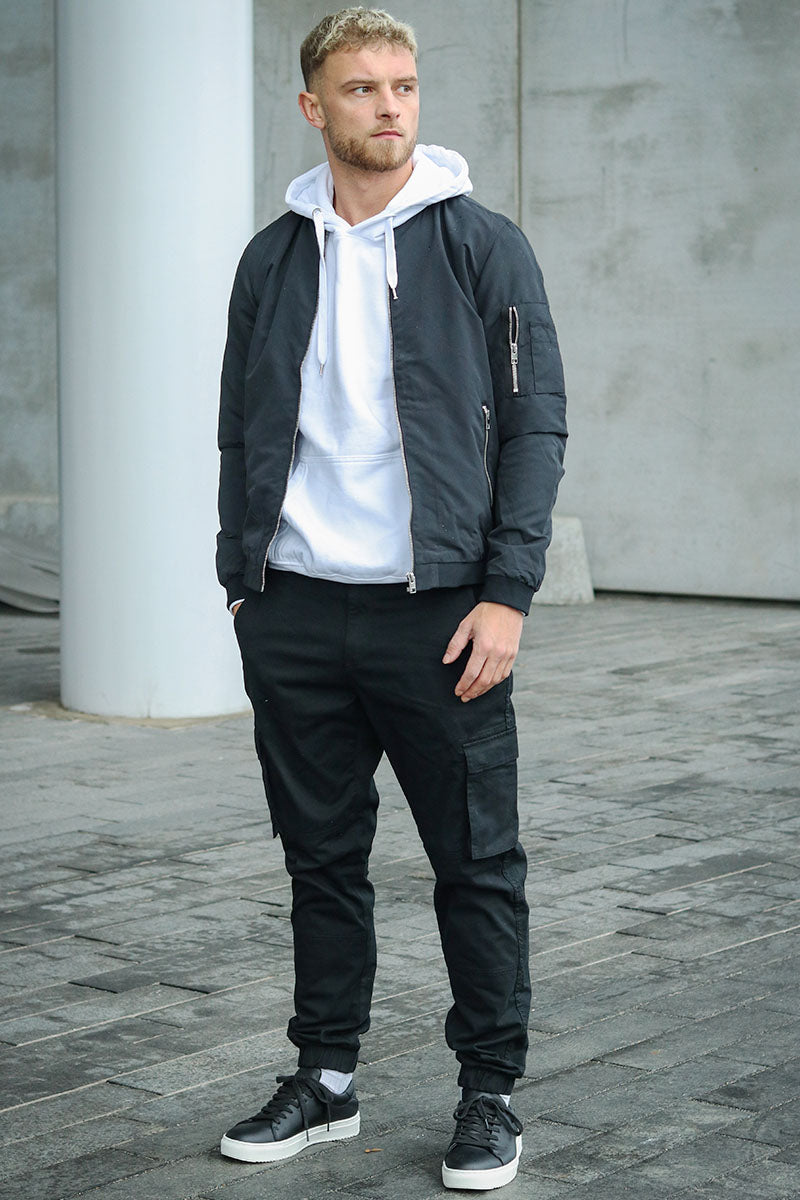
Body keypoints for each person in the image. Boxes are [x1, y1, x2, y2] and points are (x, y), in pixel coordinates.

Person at [215, 6, 566, 1190]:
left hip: (439, 613)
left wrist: (506, 593)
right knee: (320, 860)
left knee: (475, 861)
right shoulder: (273, 258)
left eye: (402, 85)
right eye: (361, 88)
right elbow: (241, 427)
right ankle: (324, 1079)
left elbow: (533, 425)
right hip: (297, 610)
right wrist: (242, 582)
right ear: (312, 106)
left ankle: (488, 1094)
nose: (388, 106)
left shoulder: (481, 246)